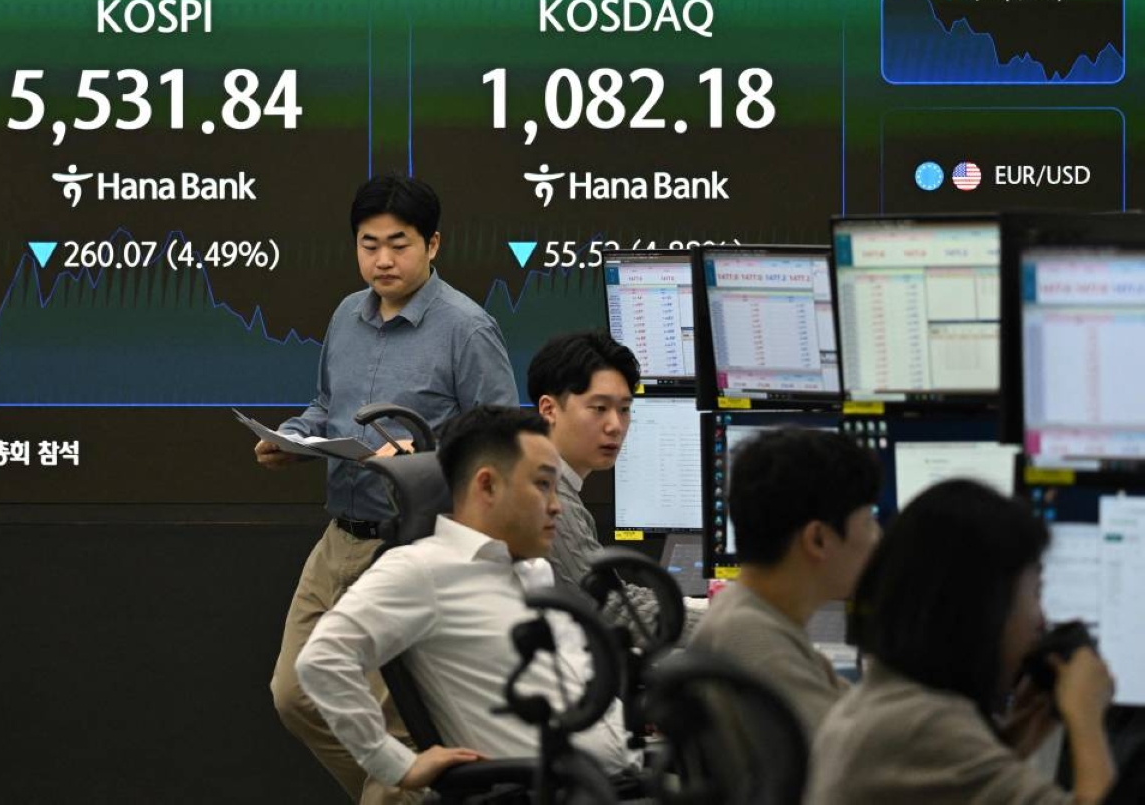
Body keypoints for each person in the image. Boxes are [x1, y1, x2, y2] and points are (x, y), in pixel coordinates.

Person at [258, 174, 519, 802]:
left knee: (391, 728)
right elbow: (327, 404)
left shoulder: (467, 328)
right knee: (294, 695)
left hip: (409, 550)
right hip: (338, 540)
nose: (382, 259)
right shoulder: (348, 314)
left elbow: (503, 438)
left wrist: (423, 456)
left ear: (433, 245)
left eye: (398, 244)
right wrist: (293, 436)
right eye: (368, 243)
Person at [295, 406, 637, 792]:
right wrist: (396, 765)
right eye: (542, 485)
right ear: (487, 485)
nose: (556, 505)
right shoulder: (423, 568)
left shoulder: (533, 571)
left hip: (626, 776)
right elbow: (321, 659)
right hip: (553, 792)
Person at [807, 480, 1116, 805]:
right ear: (986, 609)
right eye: (1035, 592)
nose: (1041, 621)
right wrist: (1086, 718)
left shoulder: (882, 705)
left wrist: (1013, 739)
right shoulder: (924, 726)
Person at [689, 427, 882, 733]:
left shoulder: (749, 616)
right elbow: (853, 757)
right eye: (869, 521)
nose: (877, 538)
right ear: (818, 539)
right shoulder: (759, 646)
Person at [526, 330, 706, 641]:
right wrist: (731, 628)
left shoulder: (557, 484)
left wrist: (697, 608)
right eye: (599, 408)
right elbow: (612, 612)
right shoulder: (549, 497)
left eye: (624, 409)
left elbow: (613, 591)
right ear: (549, 409)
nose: (616, 425)